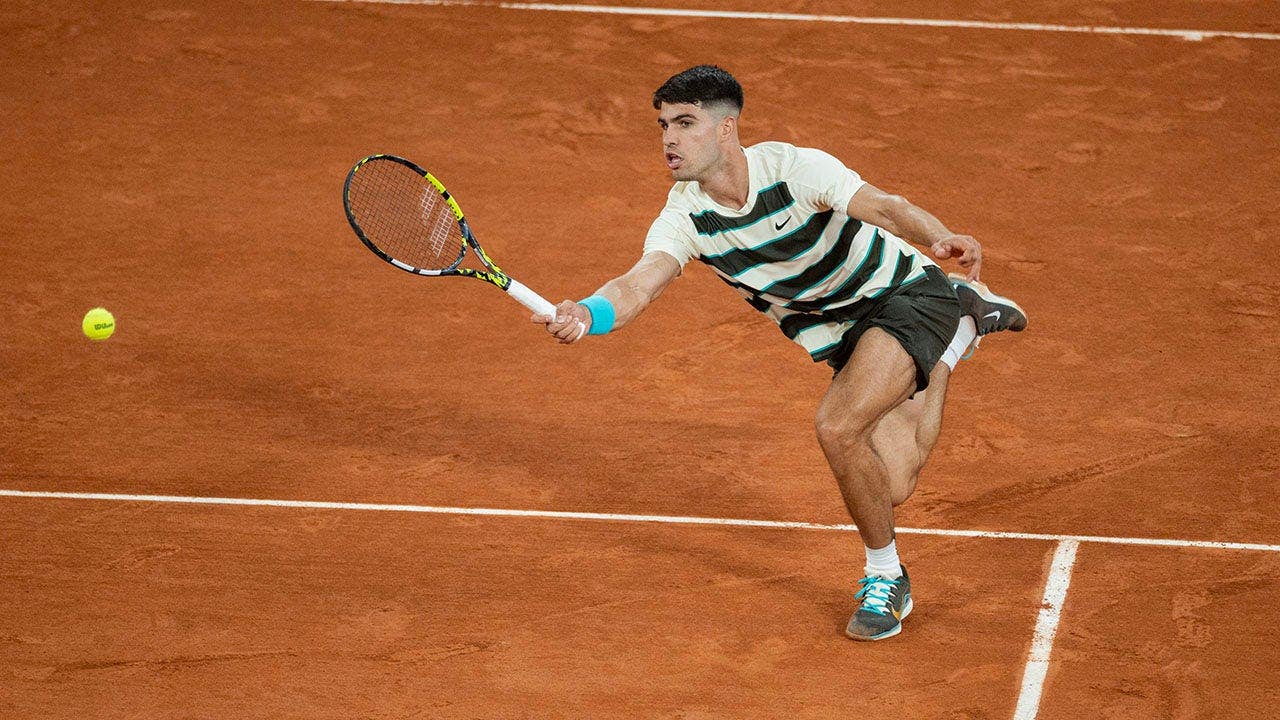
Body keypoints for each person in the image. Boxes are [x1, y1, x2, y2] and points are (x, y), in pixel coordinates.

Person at [535, 65, 1026, 641]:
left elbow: (886, 207)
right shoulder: (685, 216)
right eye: (663, 125)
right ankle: (960, 325)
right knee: (891, 484)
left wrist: (938, 236)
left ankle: (886, 575)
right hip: (842, 336)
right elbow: (638, 285)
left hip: (903, 294)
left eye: (685, 123)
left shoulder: (793, 169)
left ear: (726, 128)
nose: (669, 139)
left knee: (838, 427)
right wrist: (586, 313)